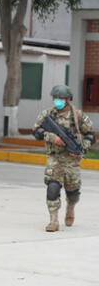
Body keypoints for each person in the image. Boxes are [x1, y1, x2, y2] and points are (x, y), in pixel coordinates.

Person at [33, 85, 95, 232]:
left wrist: (82, 148)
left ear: (68, 99)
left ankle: (70, 207)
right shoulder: (48, 114)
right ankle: (53, 220)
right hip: (55, 158)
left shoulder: (78, 116)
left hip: (72, 160)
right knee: (52, 187)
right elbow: (36, 131)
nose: (57, 101)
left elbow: (91, 135)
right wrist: (51, 137)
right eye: (55, 98)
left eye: (60, 98)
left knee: (73, 192)